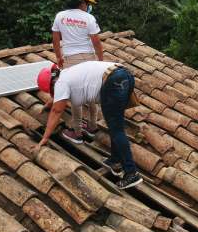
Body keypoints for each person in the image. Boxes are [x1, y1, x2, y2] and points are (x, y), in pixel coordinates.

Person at [36, 61, 143, 190]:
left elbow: (56, 111)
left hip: (113, 81)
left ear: (52, 84)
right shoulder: (65, 75)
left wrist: (45, 138)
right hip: (123, 74)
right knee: (114, 123)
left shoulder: (60, 83)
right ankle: (115, 159)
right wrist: (48, 104)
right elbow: (57, 99)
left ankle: (131, 173)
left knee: (116, 128)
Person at [52, 0, 104, 144]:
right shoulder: (89, 18)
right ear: (83, 2)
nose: (89, 7)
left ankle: (77, 132)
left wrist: (59, 57)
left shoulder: (60, 16)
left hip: (71, 59)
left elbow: (56, 39)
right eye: (89, 4)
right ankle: (93, 127)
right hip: (88, 58)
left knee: (76, 96)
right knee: (91, 92)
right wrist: (100, 62)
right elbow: (96, 43)